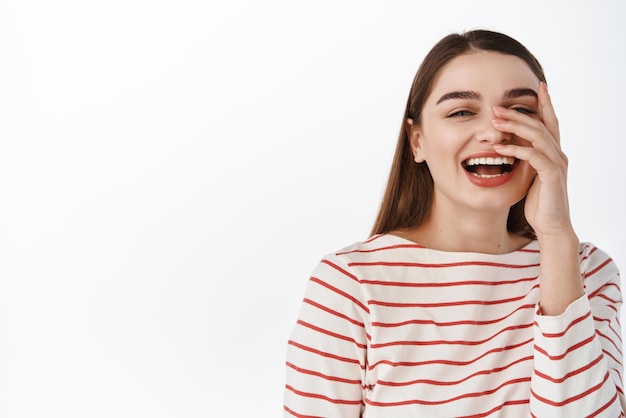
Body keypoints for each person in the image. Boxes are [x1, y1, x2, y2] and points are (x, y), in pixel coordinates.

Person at [283, 29, 624, 417]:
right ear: (417, 141)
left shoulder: (585, 272)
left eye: (522, 111)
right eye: (461, 112)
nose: (495, 132)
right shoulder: (349, 285)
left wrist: (557, 238)